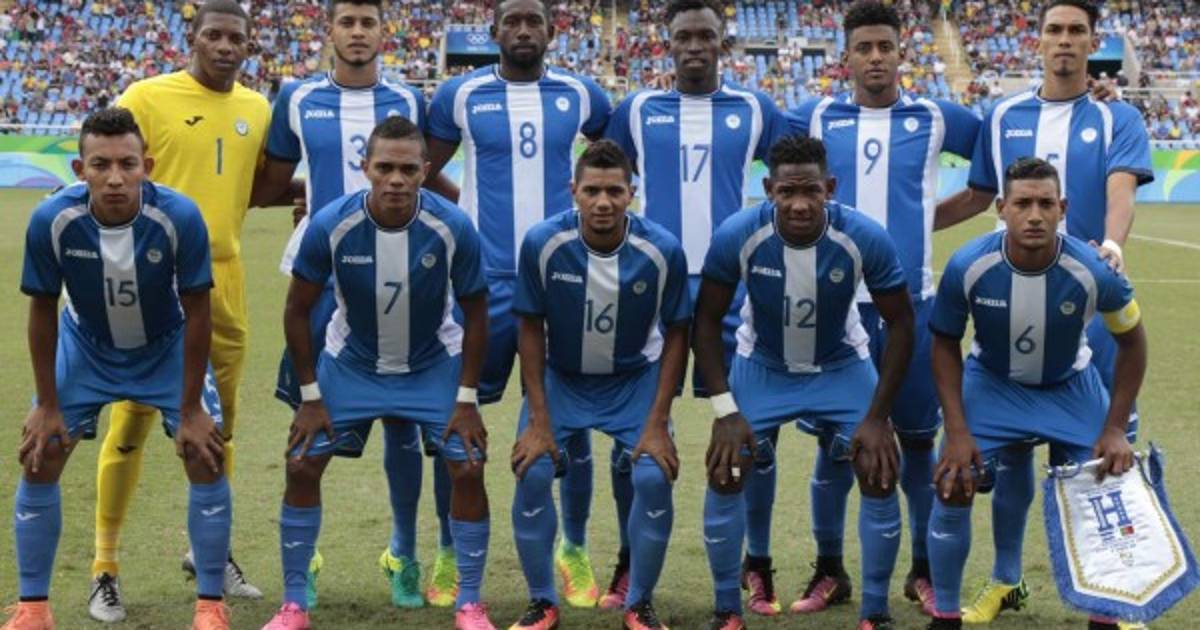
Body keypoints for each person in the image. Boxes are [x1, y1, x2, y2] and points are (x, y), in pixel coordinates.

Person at [935, 1, 1153, 620]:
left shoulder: (1117, 116)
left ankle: (1109, 598)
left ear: (1092, 41)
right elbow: (979, 195)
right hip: (1011, 303)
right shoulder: (1003, 114)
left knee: (1097, 461)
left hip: (1089, 304)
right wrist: (907, 224)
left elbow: (1120, 189)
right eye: (1054, 29)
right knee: (1007, 457)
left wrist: (1111, 247)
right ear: (1037, 41)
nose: (1064, 40)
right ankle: (1006, 580)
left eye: (1076, 31)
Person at [253, 0, 459, 609]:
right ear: (331, 31)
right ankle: (307, 561)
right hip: (319, 277)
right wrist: (315, 200)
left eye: (368, 22)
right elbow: (270, 184)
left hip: (398, 269)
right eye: (347, 21)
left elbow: (423, 176)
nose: (358, 32)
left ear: (382, 32)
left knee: (402, 421)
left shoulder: (409, 99)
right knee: (308, 419)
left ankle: (403, 553)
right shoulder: (296, 97)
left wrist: (466, 214)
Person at [784, 1, 982, 616]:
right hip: (836, 310)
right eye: (864, 48)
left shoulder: (937, 117)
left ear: (902, 53)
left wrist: (923, 221)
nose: (875, 58)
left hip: (911, 308)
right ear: (844, 57)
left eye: (885, 47)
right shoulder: (815, 116)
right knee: (834, 447)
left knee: (919, 446)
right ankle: (829, 569)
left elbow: (986, 181)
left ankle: (921, 571)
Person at [259, 116, 495, 630]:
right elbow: (297, 310)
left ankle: (470, 603)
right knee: (301, 463)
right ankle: (294, 603)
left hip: (431, 364)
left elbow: (478, 313)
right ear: (364, 167)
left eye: (408, 169)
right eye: (384, 167)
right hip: (352, 364)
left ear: (426, 170)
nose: (395, 180)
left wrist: (466, 399)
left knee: (468, 465)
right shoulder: (331, 223)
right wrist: (310, 396)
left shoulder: (452, 226)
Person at [4, 107, 230, 630]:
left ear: (146, 166)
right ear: (78, 170)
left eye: (127, 164)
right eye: (100, 164)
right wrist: (47, 404)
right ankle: (33, 609)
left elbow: (199, 312)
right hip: (86, 345)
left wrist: (191, 408)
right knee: (40, 454)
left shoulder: (179, 216)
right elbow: (42, 312)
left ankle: (210, 606)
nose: (114, 177)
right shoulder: (52, 219)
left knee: (205, 454)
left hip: (165, 347)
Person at [426, 0, 614, 607]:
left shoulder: (583, 95)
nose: (524, 30)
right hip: (483, 283)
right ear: (495, 31)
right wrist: (466, 212)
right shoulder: (459, 94)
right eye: (514, 21)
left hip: (564, 279)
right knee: (457, 419)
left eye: (535, 21)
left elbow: (609, 166)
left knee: (570, 421)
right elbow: (425, 170)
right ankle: (448, 551)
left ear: (552, 32)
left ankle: (573, 548)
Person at [90, 1, 271, 619]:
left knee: (218, 430)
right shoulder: (147, 97)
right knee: (131, 422)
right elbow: (106, 168)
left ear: (248, 45)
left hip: (225, 281)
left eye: (235, 38)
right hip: (153, 280)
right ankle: (105, 568)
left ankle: (209, 553)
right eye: (212, 35)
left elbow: (257, 184)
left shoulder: (257, 107)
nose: (224, 46)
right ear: (191, 39)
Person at [605, 0, 788, 607]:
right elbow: (603, 179)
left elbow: (795, 175)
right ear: (667, 43)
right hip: (650, 289)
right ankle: (627, 562)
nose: (694, 46)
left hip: (732, 290)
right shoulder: (636, 110)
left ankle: (757, 562)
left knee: (750, 432)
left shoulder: (755, 109)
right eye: (683, 36)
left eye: (705, 36)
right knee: (630, 434)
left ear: (722, 44)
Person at [696, 136, 915, 630]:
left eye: (811, 191)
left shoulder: (864, 236)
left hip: (841, 365)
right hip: (763, 366)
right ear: (768, 189)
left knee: (879, 468)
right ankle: (727, 609)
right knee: (726, 469)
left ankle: (876, 612)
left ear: (829, 188)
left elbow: (902, 323)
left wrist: (879, 417)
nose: (799, 204)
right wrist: (724, 410)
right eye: (787, 192)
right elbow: (705, 321)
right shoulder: (738, 233)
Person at [924, 157, 1147, 630]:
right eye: (1022, 203)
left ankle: (1105, 615)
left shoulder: (1093, 269)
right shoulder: (968, 264)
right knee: (952, 481)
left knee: (1103, 485)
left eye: (1046, 204)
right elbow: (943, 344)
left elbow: (1133, 342)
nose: (1034, 216)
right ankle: (946, 615)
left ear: (1062, 208)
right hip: (993, 385)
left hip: (1070, 387)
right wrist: (958, 431)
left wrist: (1114, 428)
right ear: (1001, 208)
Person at [507, 141, 690, 630]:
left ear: (632, 193)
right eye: (592, 191)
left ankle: (640, 605)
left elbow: (678, 332)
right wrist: (538, 420)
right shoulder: (543, 243)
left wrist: (658, 421)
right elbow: (529, 326)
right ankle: (542, 603)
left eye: (614, 191)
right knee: (533, 471)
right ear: (574, 191)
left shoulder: (662, 250)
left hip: (633, 382)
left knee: (653, 477)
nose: (603, 202)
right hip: (562, 380)